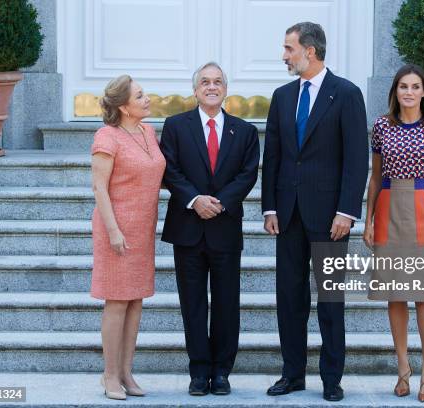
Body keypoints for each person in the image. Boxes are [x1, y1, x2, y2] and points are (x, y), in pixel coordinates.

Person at [261, 22, 369, 402]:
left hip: (330, 219)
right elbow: (272, 155)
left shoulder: (347, 94)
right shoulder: (282, 95)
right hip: (287, 215)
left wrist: (347, 211)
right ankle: (292, 375)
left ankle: (331, 379)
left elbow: (357, 159)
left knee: (330, 301)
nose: (284, 55)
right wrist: (269, 206)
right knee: (289, 299)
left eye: (289, 48)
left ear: (310, 51)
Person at [160, 62, 260, 396]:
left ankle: (221, 372)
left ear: (226, 88)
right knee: (192, 304)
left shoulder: (244, 131)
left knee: (227, 303)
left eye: (218, 82)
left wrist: (218, 202)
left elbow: (248, 174)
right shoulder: (175, 126)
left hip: (225, 227)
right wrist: (194, 200)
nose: (212, 86)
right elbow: (169, 170)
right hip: (187, 228)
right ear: (195, 89)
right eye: (205, 81)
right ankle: (199, 372)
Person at [362, 64, 424, 403]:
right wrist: (367, 219)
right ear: (395, 92)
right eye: (403, 86)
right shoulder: (382, 126)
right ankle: (403, 368)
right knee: (395, 293)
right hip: (386, 206)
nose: (409, 92)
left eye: (415, 87)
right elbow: (374, 176)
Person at [91, 75, 166, 400]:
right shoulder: (107, 136)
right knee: (117, 300)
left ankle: (126, 373)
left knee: (135, 301)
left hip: (142, 229)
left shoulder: (148, 132)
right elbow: (99, 188)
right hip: (116, 230)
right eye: (140, 95)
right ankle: (109, 376)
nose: (147, 98)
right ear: (123, 105)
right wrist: (113, 231)